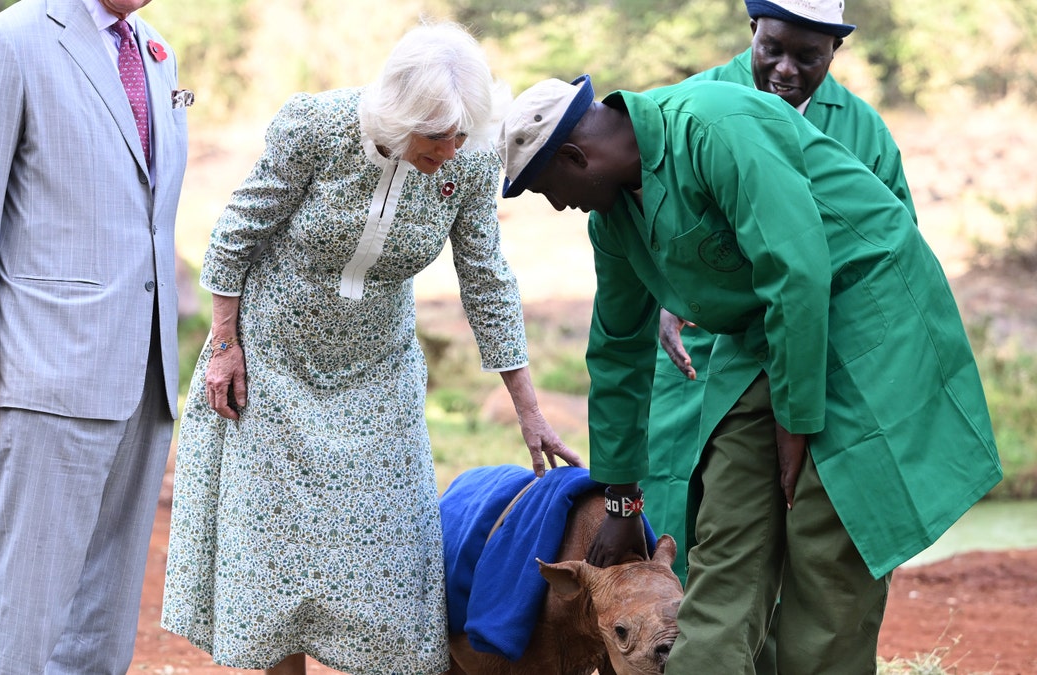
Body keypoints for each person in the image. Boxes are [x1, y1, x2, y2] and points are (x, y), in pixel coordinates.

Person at [497, 74, 1002, 673]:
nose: (558, 205)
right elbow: (617, 350)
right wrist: (622, 497)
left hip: (863, 319)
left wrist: (796, 418)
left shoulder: (714, 124)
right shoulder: (613, 222)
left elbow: (798, 270)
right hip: (763, 337)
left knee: (826, 550)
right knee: (725, 541)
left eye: (549, 188)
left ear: (576, 156)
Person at [160, 22, 582, 675]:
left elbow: (488, 279)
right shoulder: (316, 129)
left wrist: (528, 407)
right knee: (280, 553)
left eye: (462, 134)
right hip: (274, 365)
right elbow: (235, 235)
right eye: (436, 135)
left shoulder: (466, 161)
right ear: (399, 114)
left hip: (377, 373)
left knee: (390, 559)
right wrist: (224, 345)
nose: (451, 148)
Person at [0, 0, 188, 671]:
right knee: (30, 602)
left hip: (144, 367)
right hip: (49, 366)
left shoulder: (155, 50)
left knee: (104, 610)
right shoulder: (10, 44)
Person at [645, 0, 918, 590]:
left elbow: (896, 251)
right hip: (704, 355)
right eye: (772, 48)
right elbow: (648, 220)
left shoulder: (863, 130)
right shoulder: (695, 104)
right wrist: (675, 291)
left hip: (820, 354)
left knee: (811, 522)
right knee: (687, 516)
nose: (786, 69)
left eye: (808, 56)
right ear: (752, 30)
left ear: (835, 53)